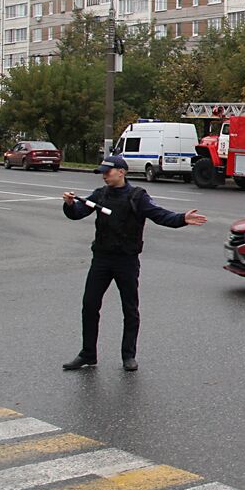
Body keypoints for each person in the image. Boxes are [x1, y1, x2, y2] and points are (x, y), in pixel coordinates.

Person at [61, 156, 207, 372]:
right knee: (90, 306)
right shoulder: (100, 194)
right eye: (102, 172)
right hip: (101, 258)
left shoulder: (137, 196)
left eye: (107, 172)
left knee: (130, 309)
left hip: (126, 260)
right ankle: (88, 354)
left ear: (121, 172)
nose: (104, 176)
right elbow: (77, 214)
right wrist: (69, 205)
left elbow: (159, 215)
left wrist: (181, 219)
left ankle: (128, 356)